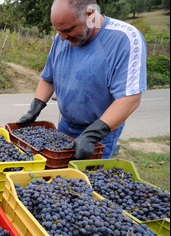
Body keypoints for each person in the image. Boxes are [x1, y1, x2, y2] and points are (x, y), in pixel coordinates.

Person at [16, 0, 147, 159]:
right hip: (65, 125)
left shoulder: (125, 38)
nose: (62, 38)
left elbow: (129, 98)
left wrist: (91, 135)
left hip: (100, 133)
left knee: (87, 179)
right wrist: (35, 107)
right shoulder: (62, 38)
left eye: (68, 30)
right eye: (58, 31)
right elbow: (48, 78)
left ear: (90, 14)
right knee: (59, 179)